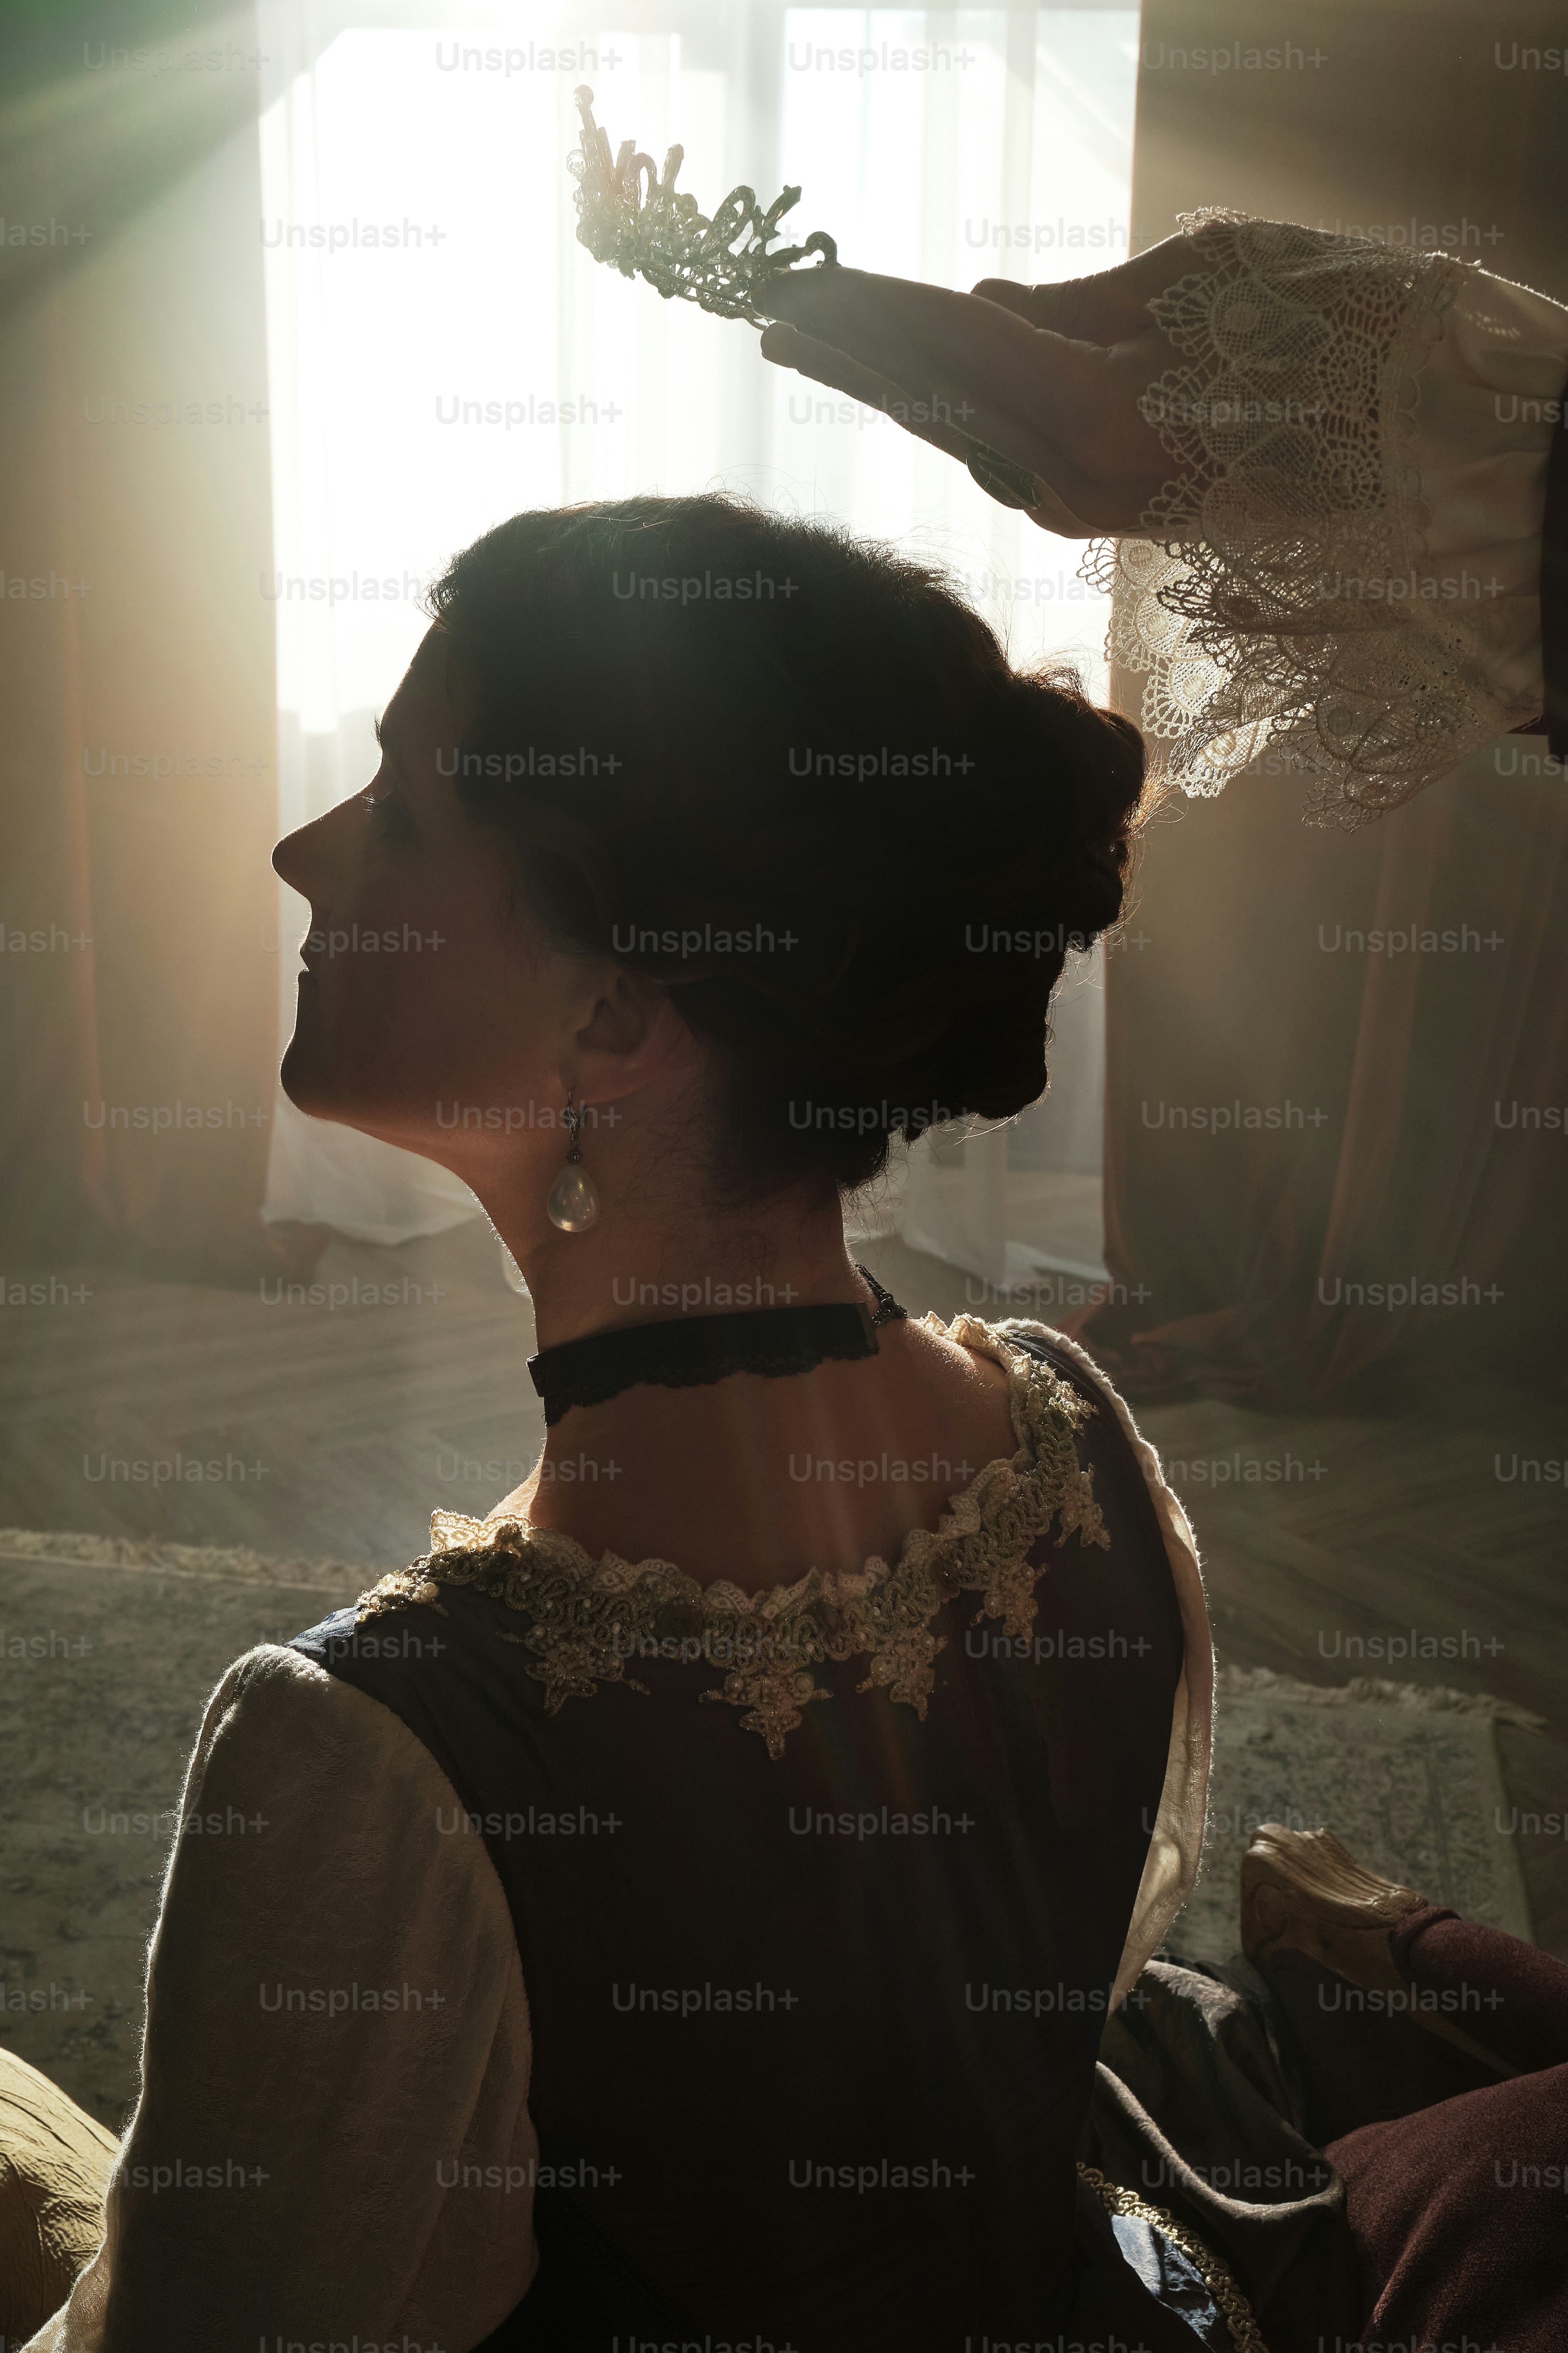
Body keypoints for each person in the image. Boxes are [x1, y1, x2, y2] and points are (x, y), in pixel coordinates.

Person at [9, 493, 1567, 2353]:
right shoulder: (1088, 1458)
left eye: (405, 815)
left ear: (615, 1013)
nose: (298, 851)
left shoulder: (358, 1758)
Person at [760, 212, 1568, 824]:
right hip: (1508, 458)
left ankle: (780, 298)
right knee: (1093, 434)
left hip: (1509, 531)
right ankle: (761, 279)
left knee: (1082, 476)